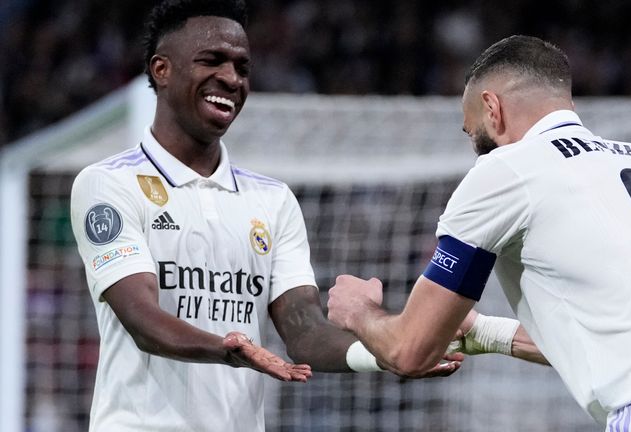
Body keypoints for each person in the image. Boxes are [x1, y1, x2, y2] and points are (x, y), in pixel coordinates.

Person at [328, 35, 631, 431]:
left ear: (492, 108)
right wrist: (489, 332)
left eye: (471, 132)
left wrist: (357, 312)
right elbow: (620, 334)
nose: (474, 149)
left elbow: (410, 352)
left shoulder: (507, 168)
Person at [69, 1, 465, 431]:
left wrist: (388, 351)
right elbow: (143, 319)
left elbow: (305, 331)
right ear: (161, 70)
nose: (231, 78)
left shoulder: (272, 199)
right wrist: (229, 348)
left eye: (242, 67)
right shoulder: (108, 184)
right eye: (212, 60)